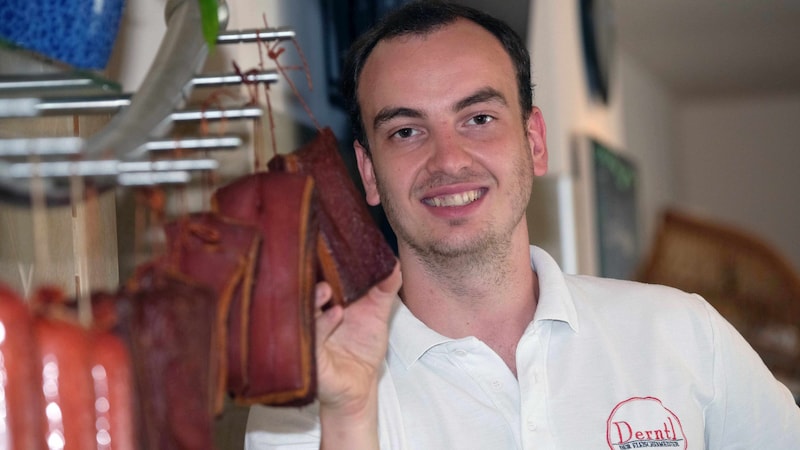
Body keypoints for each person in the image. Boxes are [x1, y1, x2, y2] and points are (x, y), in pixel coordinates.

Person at [245, 1, 800, 448]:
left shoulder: (682, 334)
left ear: (534, 141)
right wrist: (349, 417)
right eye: (406, 132)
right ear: (368, 172)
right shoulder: (314, 393)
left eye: (479, 119)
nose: (448, 159)